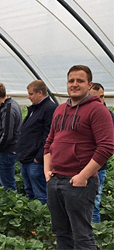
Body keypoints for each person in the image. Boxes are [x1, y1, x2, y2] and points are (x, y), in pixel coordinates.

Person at [44, 65, 114, 249]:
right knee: (61, 234)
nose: (74, 84)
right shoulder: (59, 110)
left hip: (79, 184)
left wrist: (83, 176)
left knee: (82, 236)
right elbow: (49, 142)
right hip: (55, 180)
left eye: (80, 81)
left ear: (89, 85)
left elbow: (106, 147)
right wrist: (46, 171)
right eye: (71, 81)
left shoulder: (98, 110)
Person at [17, 80, 57, 204]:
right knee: (29, 191)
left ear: (40, 93)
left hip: (36, 161)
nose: (29, 97)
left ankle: (44, 221)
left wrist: (39, 157)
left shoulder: (49, 108)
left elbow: (49, 136)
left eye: (31, 94)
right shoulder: (35, 108)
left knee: (40, 194)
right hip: (26, 158)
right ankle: (33, 219)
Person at [0, 82, 22, 190]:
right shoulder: (11, 104)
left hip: (6, 151)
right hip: (10, 149)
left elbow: (7, 134)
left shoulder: (8, 108)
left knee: (7, 185)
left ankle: (10, 205)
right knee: (8, 182)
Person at [90, 82, 114, 223]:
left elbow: (107, 146)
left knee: (94, 203)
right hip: (80, 166)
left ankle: (96, 235)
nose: (99, 100)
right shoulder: (84, 113)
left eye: (102, 96)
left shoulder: (108, 116)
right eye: (95, 97)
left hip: (98, 167)